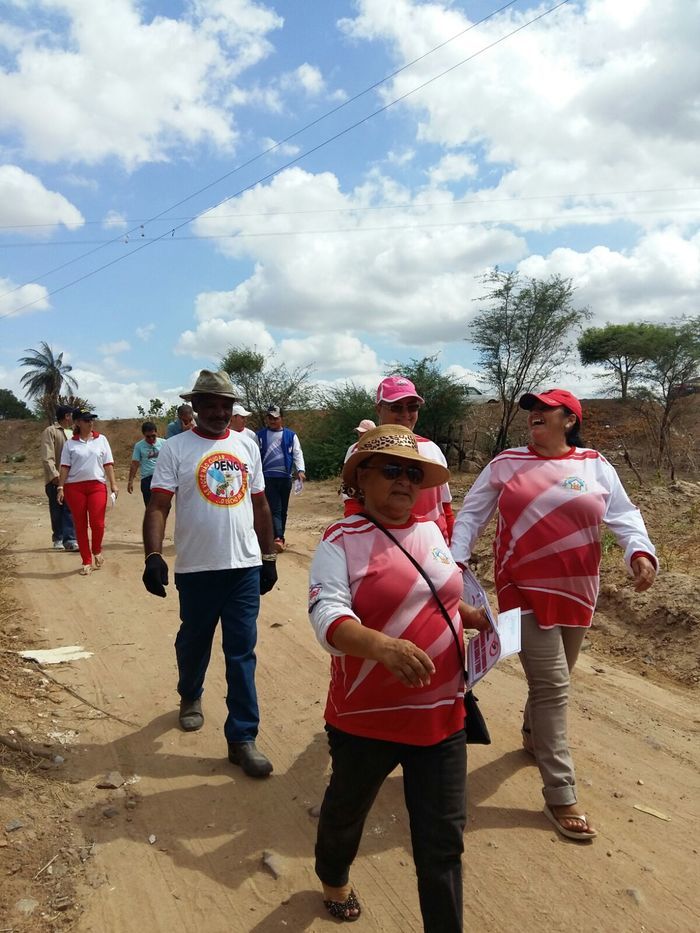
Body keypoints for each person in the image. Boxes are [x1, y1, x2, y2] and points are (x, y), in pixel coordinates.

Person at [451, 388, 658, 841]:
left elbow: (623, 515)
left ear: (570, 419)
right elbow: (471, 515)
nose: (536, 416)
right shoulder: (506, 464)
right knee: (554, 686)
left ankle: (531, 734)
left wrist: (639, 552)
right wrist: (454, 562)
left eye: (546, 410)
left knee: (557, 676)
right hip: (522, 589)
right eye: (532, 411)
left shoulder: (595, 465)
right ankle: (561, 794)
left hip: (578, 591)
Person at [308, 424, 488, 930]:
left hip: (442, 720)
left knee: (443, 843)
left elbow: (440, 592)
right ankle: (333, 875)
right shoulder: (339, 541)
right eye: (391, 469)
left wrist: (469, 617)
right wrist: (382, 646)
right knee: (346, 814)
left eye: (413, 472)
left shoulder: (431, 532)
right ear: (360, 478)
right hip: (366, 721)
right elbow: (328, 617)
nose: (405, 481)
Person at [142, 370, 278, 778]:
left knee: (241, 651)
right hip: (198, 569)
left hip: (243, 568)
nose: (220, 412)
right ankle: (190, 695)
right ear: (195, 407)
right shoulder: (176, 449)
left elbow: (260, 506)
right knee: (194, 640)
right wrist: (152, 555)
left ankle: (242, 738)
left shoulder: (246, 444)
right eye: (211, 404)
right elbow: (159, 506)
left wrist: (268, 557)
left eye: (226, 405)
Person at [343, 376, 454, 544]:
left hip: (433, 548)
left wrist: (452, 550)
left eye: (412, 407)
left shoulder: (432, 449)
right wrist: (358, 546)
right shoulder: (360, 451)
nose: (405, 414)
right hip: (381, 547)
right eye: (396, 407)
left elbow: (445, 507)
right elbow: (353, 505)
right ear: (379, 409)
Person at [57, 408, 118, 576]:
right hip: (74, 487)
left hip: (96, 485)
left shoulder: (102, 440)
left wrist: (113, 484)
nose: (90, 422)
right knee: (80, 525)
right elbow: (64, 467)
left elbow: (108, 464)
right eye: (86, 420)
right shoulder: (70, 444)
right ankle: (86, 561)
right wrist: (61, 487)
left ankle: (96, 550)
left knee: (97, 523)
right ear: (77, 422)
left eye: (91, 419)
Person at [256, 404, 306, 552]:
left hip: (285, 477)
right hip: (268, 477)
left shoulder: (290, 435)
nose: (272, 421)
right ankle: (277, 537)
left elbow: (297, 453)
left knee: (283, 509)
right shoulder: (260, 435)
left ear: (281, 419)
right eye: (270, 418)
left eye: (275, 418)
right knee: (275, 508)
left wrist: (301, 470)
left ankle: (280, 536)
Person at [40, 404, 78, 552]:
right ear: (67, 416)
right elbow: (47, 456)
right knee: (57, 509)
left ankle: (70, 539)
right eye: (72, 415)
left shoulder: (74, 432)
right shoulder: (51, 431)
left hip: (71, 479)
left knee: (69, 510)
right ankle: (58, 538)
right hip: (55, 479)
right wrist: (54, 475)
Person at [127, 422, 165, 506]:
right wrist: (130, 481)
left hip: (162, 477)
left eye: (153, 436)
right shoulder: (139, 446)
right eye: (148, 436)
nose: (151, 438)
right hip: (147, 479)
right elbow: (135, 464)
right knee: (150, 506)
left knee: (164, 506)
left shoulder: (164, 443)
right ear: (143, 434)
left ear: (156, 433)